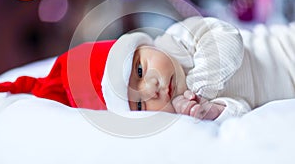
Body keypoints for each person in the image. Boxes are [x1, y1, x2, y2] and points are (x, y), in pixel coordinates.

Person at [101, 16, 295, 123]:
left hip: (285, 49)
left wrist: (198, 89)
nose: (151, 90)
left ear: (145, 45)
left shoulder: (178, 39)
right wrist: (209, 112)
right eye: (140, 105)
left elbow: (226, 38)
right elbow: (241, 109)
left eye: (140, 71)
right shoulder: (185, 112)